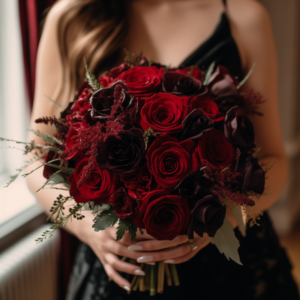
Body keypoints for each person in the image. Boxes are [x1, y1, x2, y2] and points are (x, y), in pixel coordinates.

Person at [26, 0, 300, 299]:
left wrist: (221, 219)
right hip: (120, 260)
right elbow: (35, 157)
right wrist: (91, 230)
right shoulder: (72, 16)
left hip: (229, 266)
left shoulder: (243, 16)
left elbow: (274, 158)